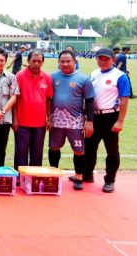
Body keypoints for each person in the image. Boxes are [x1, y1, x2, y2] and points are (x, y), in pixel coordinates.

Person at [81, 48, 131, 193]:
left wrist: (120, 121)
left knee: (112, 150)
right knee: (89, 147)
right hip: (94, 116)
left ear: (113, 59)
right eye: (100, 58)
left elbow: (124, 100)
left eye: (106, 59)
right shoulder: (94, 74)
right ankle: (87, 174)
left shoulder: (120, 76)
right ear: (96, 59)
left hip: (110, 117)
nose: (103, 61)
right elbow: (88, 96)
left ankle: (110, 180)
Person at [47, 50, 95, 190]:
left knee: (79, 150)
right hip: (56, 120)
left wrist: (89, 121)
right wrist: (48, 117)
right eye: (62, 61)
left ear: (75, 62)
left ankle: (78, 176)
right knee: (54, 147)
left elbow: (90, 101)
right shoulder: (52, 77)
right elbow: (48, 99)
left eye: (68, 61)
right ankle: (54, 175)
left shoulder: (84, 79)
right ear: (58, 62)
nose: (65, 64)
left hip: (75, 121)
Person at [13, 49, 52, 174]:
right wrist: (14, 119)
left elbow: (48, 99)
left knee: (37, 153)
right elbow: (14, 99)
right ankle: (20, 177)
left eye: (39, 61)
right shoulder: (20, 76)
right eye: (34, 61)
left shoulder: (46, 77)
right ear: (28, 60)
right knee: (21, 153)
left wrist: (49, 118)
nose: (36, 63)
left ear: (43, 62)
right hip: (22, 122)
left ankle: (34, 177)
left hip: (40, 123)